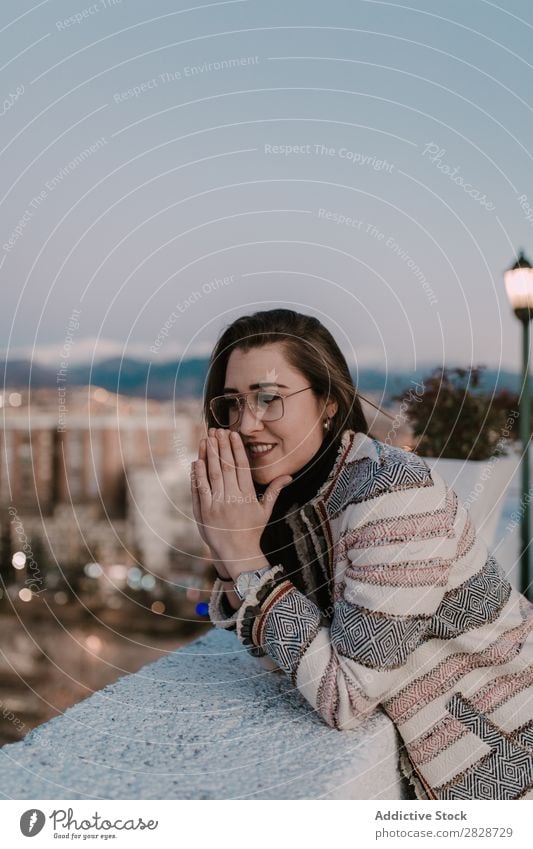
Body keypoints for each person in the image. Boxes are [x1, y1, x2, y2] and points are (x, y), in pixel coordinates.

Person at [190, 308, 533, 801]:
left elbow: (346, 697)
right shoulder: (301, 502)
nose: (247, 423)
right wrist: (232, 551)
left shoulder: (391, 494)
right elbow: (282, 655)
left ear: (328, 402)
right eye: (233, 403)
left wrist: (245, 561)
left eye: (270, 398)